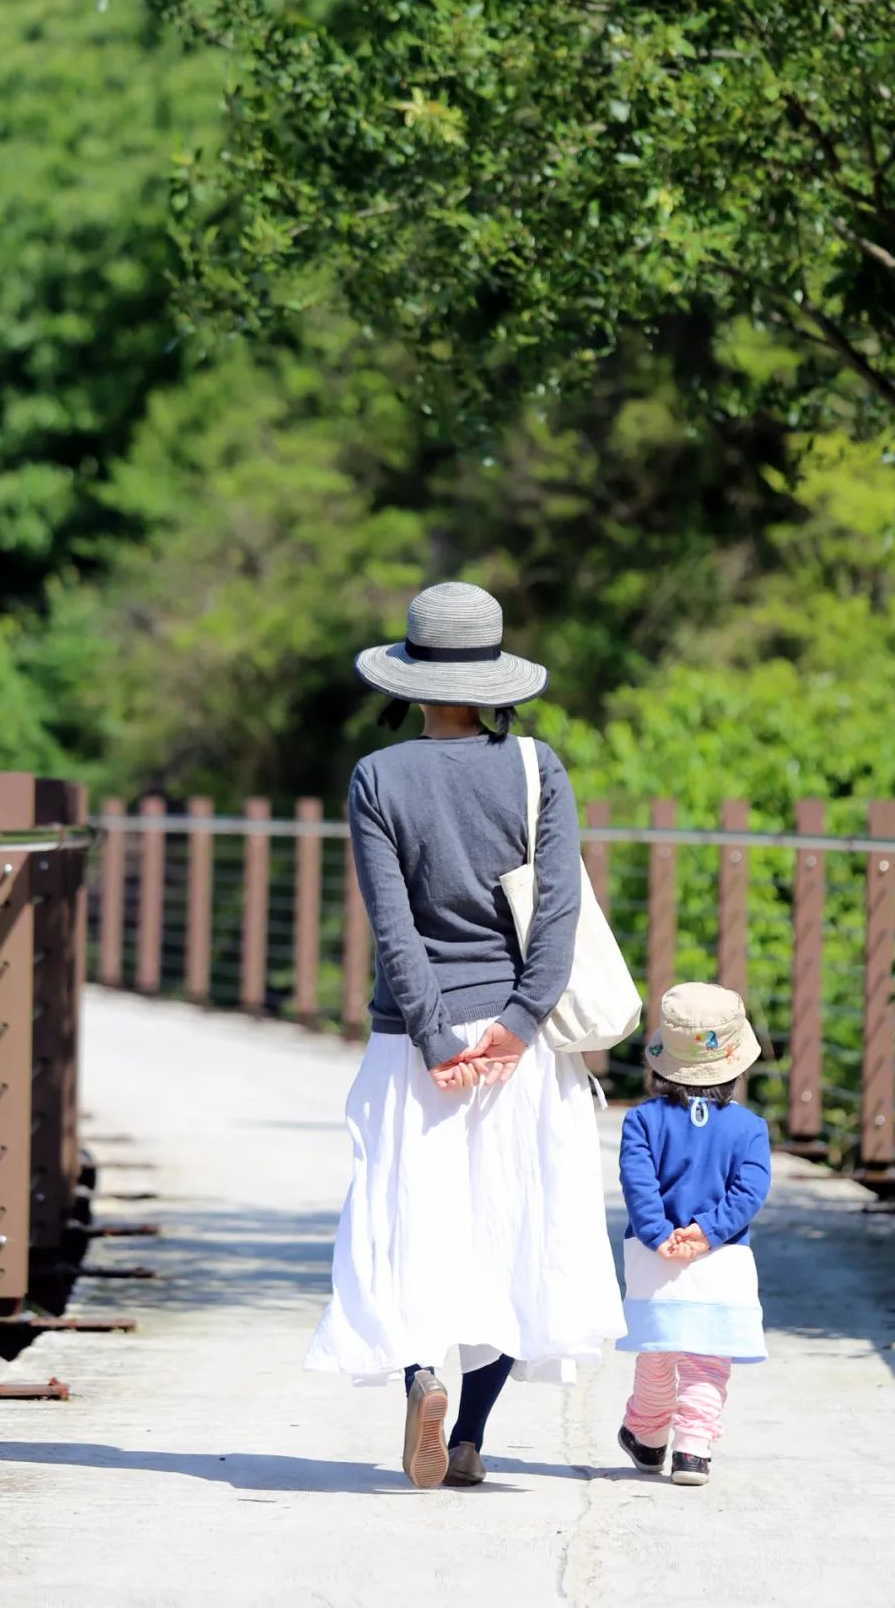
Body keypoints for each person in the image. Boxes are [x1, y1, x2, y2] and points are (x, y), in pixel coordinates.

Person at [305, 580, 625, 1489]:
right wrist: (521, 1023)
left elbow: (392, 922)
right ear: (497, 683)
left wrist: (437, 1035)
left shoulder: (378, 776)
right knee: (509, 1227)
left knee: (412, 1221)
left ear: (410, 681)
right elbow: (557, 911)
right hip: (518, 1051)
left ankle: (419, 1379)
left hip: (416, 1043)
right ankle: (470, 1438)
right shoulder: (538, 766)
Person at [616, 982, 770, 1487]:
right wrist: (707, 1234)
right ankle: (693, 1452)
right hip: (721, 1259)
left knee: (659, 1354)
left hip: (654, 1259)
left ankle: (648, 1435)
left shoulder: (641, 1121)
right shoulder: (749, 1129)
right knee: (707, 1360)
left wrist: (661, 1235)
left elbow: (638, 1183)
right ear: (737, 1064)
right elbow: (749, 1191)